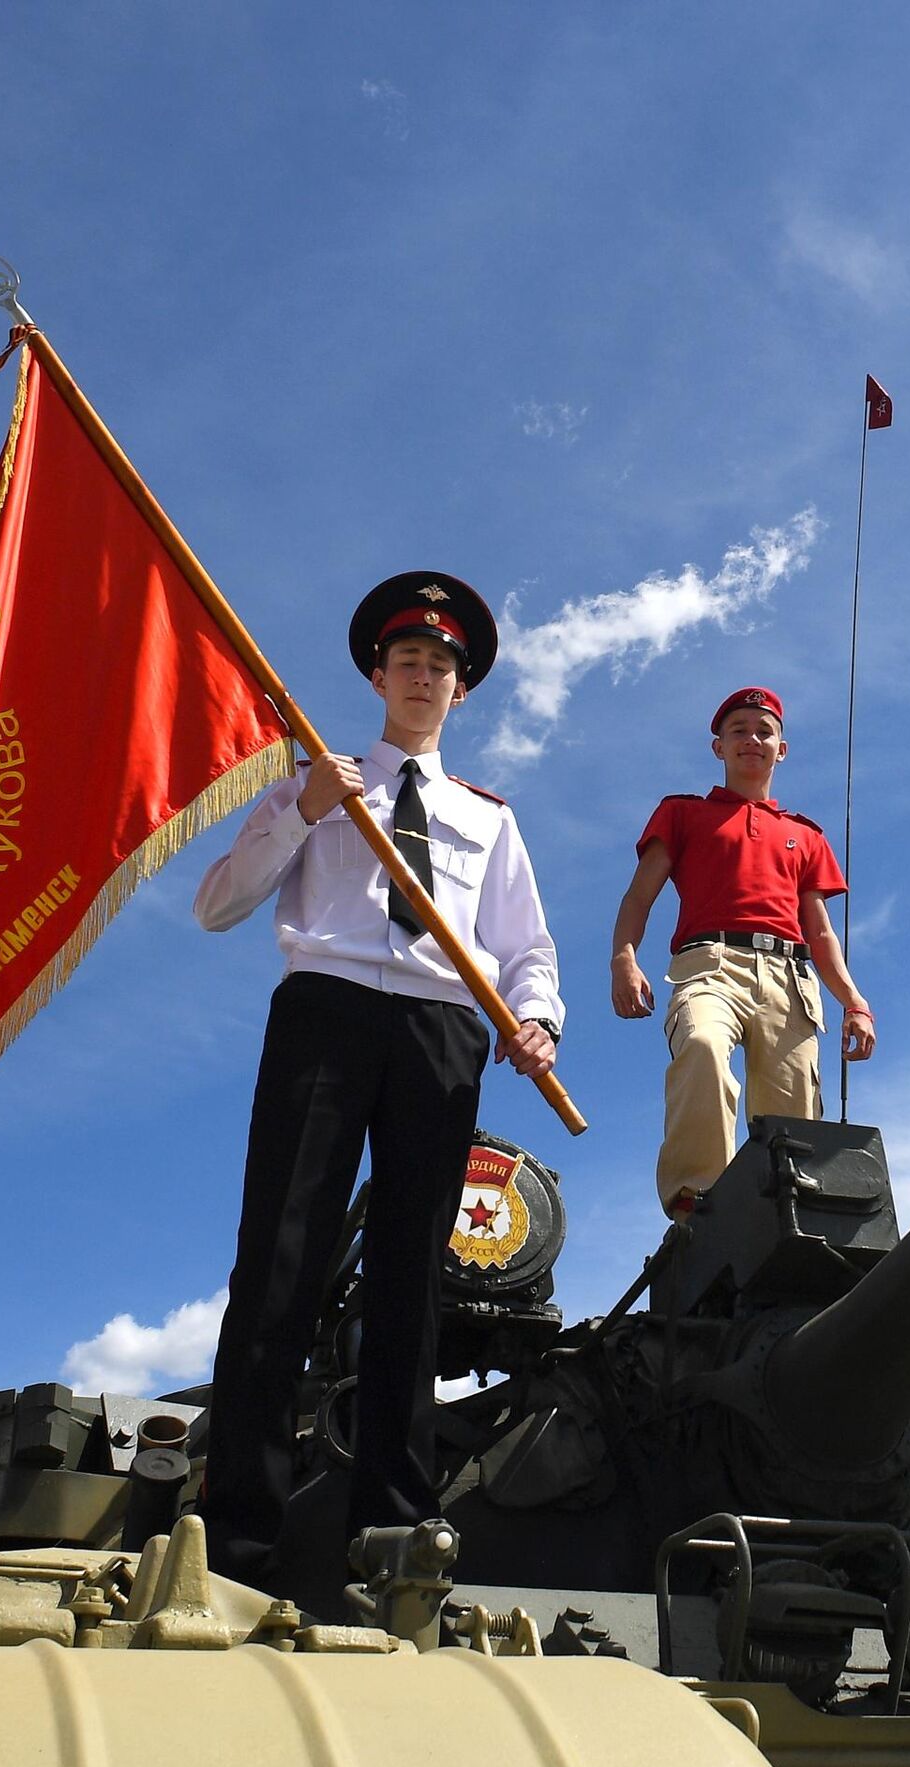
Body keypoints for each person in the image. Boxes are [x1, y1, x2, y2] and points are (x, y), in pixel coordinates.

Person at [194, 571, 563, 1585]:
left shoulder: (489, 817)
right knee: (282, 1262)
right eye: (408, 659)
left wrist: (536, 1020)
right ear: (376, 673)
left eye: (443, 665)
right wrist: (302, 812)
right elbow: (218, 904)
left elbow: (526, 947)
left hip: (443, 1033)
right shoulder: (321, 782)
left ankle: (391, 1533)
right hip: (327, 1013)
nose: (424, 675)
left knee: (415, 1279)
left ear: (462, 690)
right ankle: (237, 1541)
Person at [610, 686, 876, 1213]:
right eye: (738, 731)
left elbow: (819, 932)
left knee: (791, 1110)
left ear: (782, 748)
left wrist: (855, 1001)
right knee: (704, 1046)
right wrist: (624, 957)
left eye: (764, 731)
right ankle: (697, 1200)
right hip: (710, 965)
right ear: (718, 747)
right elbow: (640, 895)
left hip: (789, 976)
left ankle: (786, 1211)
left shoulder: (805, 835)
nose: (751, 739)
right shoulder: (683, 814)